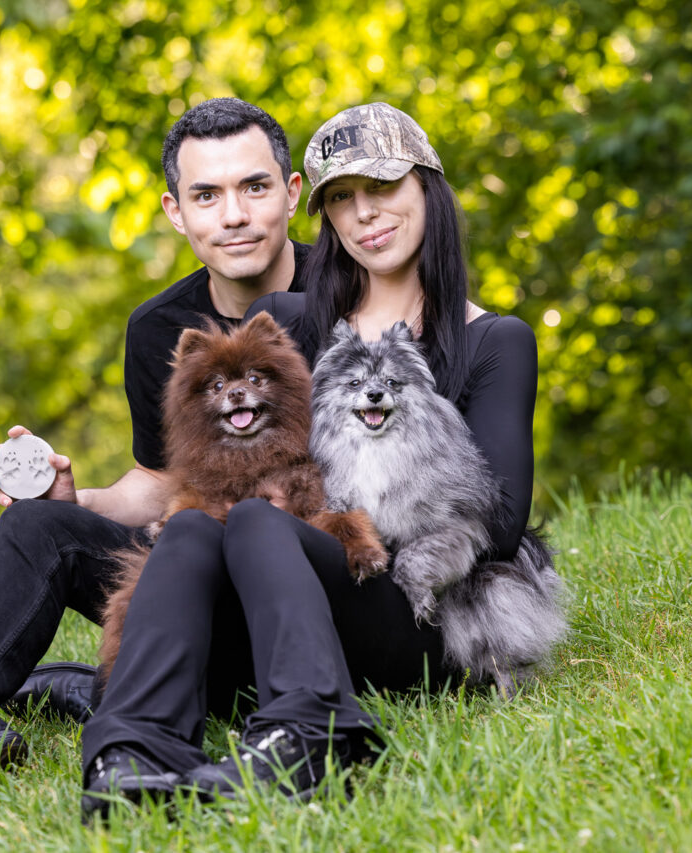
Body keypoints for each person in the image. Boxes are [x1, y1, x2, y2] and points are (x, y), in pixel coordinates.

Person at [0, 98, 311, 779]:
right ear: (176, 211)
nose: (233, 214)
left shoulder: (348, 295)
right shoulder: (157, 330)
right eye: (207, 194)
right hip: (200, 584)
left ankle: (100, 686)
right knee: (40, 522)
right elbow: (160, 479)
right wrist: (77, 498)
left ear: (292, 194)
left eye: (253, 187)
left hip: (311, 597)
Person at [79, 103, 539, 816]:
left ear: (428, 191)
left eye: (383, 188)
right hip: (304, 595)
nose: (365, 214)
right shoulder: (295, 319)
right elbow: (247, 459)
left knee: (261, 522)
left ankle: (313, 732)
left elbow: (501, 524)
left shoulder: (495, 340)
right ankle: (134, 746)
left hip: (422, 607)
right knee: (203, 523)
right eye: (342, 200)